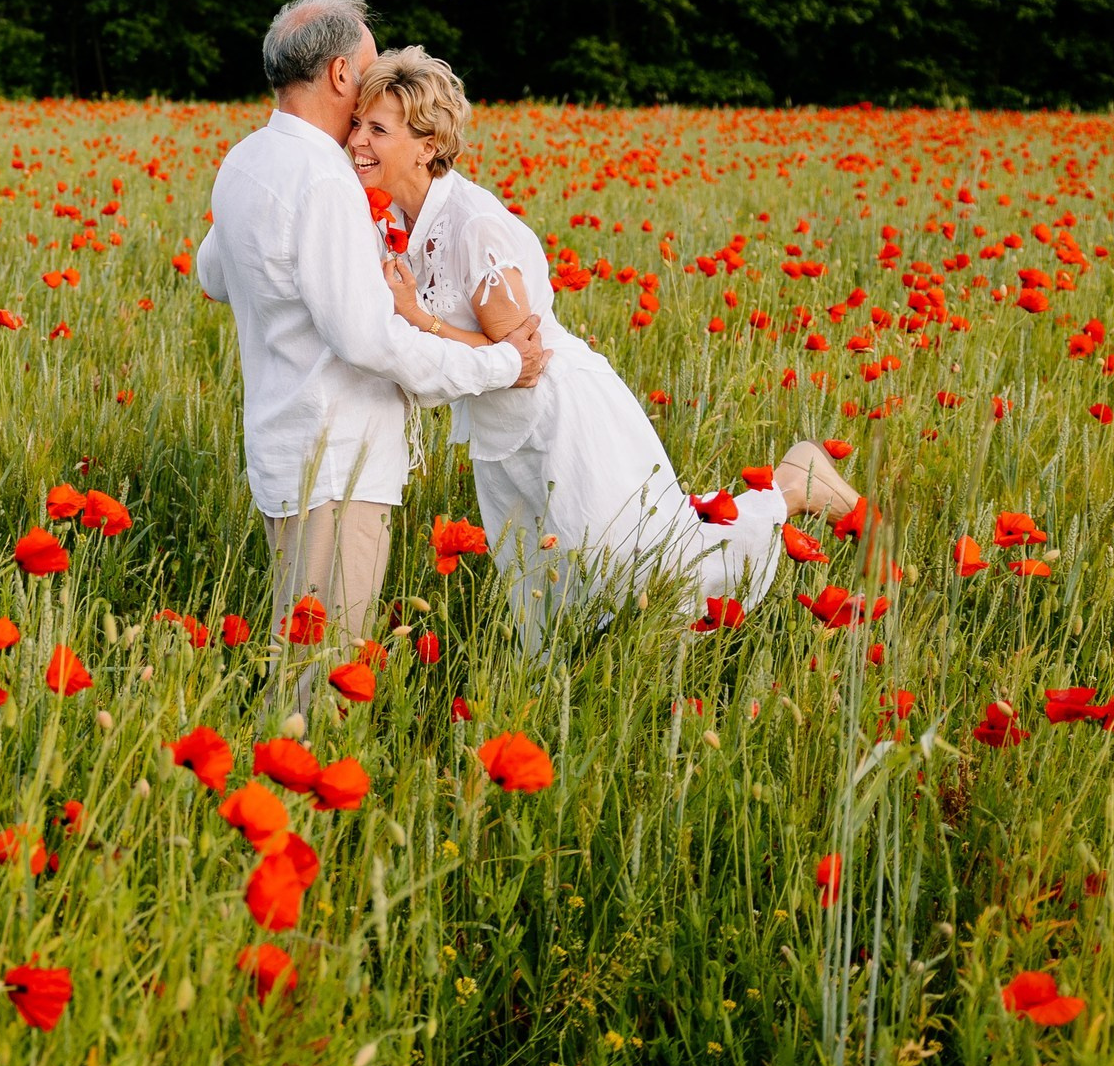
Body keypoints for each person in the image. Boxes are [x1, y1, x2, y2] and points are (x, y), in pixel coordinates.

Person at [348, 45, 862, 654]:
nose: (358, 140)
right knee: (545, 593)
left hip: (560, 420)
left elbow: (519, 362)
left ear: (427, 145)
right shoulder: (402, 218)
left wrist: (418, 319)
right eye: (358, 124)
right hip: (501, 436)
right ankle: (560, 691)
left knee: (651, 569)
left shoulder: (471, 225)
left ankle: (792, 485)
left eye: (378, 129)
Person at [196, 0, 549, 669]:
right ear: (338, 74)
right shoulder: (324, 180)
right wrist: (501, 364)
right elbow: (368, 340)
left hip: (281, 447)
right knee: (327, 669)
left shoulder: (247, 159)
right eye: (366, 68)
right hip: (338, 463)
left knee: (302, 649)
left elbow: (214, 275)